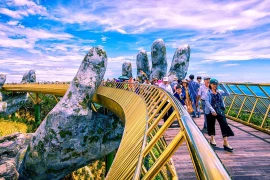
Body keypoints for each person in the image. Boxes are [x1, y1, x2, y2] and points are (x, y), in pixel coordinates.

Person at [205, 78, 234, 152]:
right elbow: (207, 102)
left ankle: (225, 143)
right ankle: (212, 139)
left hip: (219, 110)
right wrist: (212, 110)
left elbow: (228, 93)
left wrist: (222, 85)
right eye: (213, 84)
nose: (215, 85)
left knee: (224, 124)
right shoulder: (207, 93)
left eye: (216, 84)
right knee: (211, 125)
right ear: (210, 84)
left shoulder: (219, 91)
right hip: (211, 111)